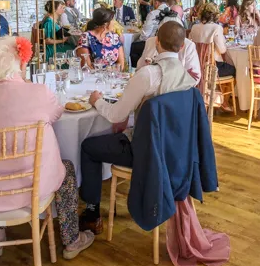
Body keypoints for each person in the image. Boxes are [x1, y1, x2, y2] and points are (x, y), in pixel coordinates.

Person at [0, 37, 94, 259]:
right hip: (30, 189)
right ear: (21, 63)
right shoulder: (38, 92)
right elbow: (56, 114)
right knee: (67, 169)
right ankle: (72, 240)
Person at [79, 21, 199, 233]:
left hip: (146, 152)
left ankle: (92, 213)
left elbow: (117, 114)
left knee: (89, 147)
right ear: (182, 47)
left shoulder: (147, 75)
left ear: (156, 42)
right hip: (178, 152)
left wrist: (96, 101)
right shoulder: (188, 79)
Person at [131, 0, 178, 68]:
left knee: (132, 46)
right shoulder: (172, 13)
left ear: (156, 2)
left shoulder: (153, 14)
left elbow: (145, 34)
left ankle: (136, 70)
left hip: (154, 43)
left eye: (152, 1)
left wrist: (138, 40)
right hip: (169, 45)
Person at [189, 3, 235, 78]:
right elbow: (222, 50)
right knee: (234, 69)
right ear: (215, 15)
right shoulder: (216, 28)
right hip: (213, 67)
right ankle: (224, 89)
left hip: (197, 65)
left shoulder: (194, 27)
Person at [137, 30, 202, 82]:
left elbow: (194, 78)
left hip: (179, 92)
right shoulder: (150, 42)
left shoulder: (188, 46)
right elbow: (140, 68)